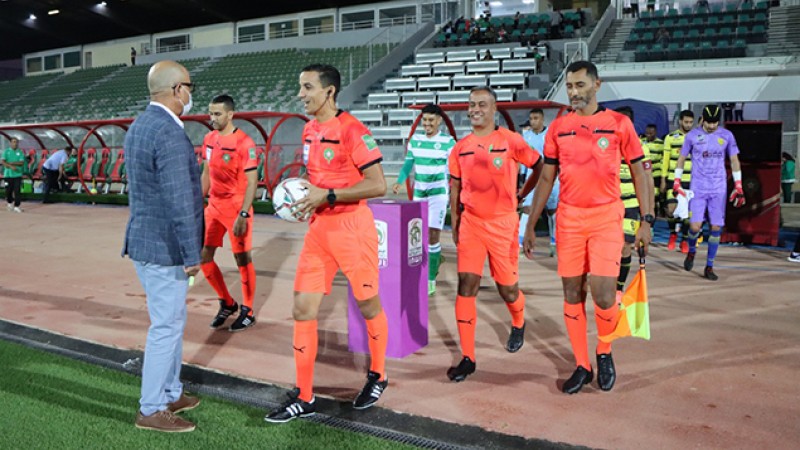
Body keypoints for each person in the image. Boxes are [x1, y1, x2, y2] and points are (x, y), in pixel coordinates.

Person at [265, 64, 389, 423]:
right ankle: (304, 396)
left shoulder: (354, 131)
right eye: (300, 87)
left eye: (307, 88)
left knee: (368, 307)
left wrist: (329, 194)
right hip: (319, 231)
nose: (301, 94)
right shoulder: (309, 129)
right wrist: (299, 195)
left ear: (329, 92)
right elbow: (314, 178)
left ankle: (379, 374)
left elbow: (378, 184)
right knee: (303, 310)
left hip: (352, 229)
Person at [522, 61, 652, 394]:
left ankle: (604, 350)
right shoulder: (558, 128)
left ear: (597, 85)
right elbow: (547, 177)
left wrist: (647, 221)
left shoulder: (619, 124)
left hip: (607, 217)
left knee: (604, 293)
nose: (574, 92)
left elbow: (641, 173)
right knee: (572, 292)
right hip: (569, 218)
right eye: (570, 86)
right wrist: (531, 223)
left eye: (580, 85)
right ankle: (582, 364)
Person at [123, 60, 203, 432]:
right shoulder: (169, 133)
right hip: (164, 247)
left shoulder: (140, 124)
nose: (191, 94)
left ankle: (170, 391)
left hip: (145, 239)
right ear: (176, 90)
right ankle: (152, 407)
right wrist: (191, 254)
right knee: (166, 327)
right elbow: (179, 200)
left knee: (173, 321)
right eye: (189, 86)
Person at [445, 86, 543, 383]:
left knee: (507, 289)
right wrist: (457, 221)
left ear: (494, 109)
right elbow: (455, 188)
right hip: (472, 223)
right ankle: (468, 357)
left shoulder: (511, 141)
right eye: (472, 105)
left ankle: (518, 321)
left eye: (482, 105)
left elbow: (539, 167)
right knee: (467, 284)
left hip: (502, 225)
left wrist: (523, 194)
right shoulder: (460, 148)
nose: (475, 109)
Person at [200, 94, 259, 332]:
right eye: (210, 113)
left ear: (230, 114)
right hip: (213, 206)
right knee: (203, 256)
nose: (212, 118)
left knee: (241, 259)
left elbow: (253, 181)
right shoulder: (208, 139)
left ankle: (248, 310)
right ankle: (227, 302)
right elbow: (206, 173)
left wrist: (243, 214)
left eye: (217, 114)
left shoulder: (245, 143)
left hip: (236, 208)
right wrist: (198, 202)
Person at [392, 104, 456, 295]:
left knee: (433, 234)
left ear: (439, 121)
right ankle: (421, 270)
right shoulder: (416, 140)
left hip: (438, 193)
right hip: (420, 192)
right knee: (417, 234)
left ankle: (430, 280)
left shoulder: (448, 142)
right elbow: (407, 166)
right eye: (424, 120)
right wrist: (399, 181)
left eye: (430, 120)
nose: (427, 124)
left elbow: (455, 169)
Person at [676, 105, 744, 281]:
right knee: (694, 227)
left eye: (715, 123)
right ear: (703, 120)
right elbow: (681, 159)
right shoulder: (692, 136)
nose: (712, 126)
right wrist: (677, 181)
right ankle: (691, 251)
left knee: (715, 227)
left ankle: (709, 266)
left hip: (718, 188)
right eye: (709, 122)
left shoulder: (727, 136)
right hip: (698, 187)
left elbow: (734, 160)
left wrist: (738, 185)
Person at [613, 107, 655, 299]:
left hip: (630, 206)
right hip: (608, 206)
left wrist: (649, 214)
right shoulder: (606, 145)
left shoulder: (641, 147)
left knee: (625, 246)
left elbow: (647, 180)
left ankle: (618, 289)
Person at [519, 108, 558, 257]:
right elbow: (522, 159)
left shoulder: (550, 135)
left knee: (552, 212)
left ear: (542, 119)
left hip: (552, 179)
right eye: (531, 119)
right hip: (532, 177)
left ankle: (553, 244)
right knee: (527, 209)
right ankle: (520, 244)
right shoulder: (526, 137)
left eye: (536, 118)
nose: (533, 121)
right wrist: (522, 179)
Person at [662, 110, 695, 252]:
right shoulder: (670, 138)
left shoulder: (697, 137)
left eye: (690, 122)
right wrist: (663, 179)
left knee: (688, 214)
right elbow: (665, 160)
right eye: (686, 122)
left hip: (691, 180)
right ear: (680, 121)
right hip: (673, 179)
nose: (688, 125)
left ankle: (685, 239)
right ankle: (673, 234)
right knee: (671, 210)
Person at [643, 124, 665, 216]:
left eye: (651, 133)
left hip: (656, 175)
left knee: (655, 197)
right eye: (647, 133)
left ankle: (657, 215)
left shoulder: (661, 144)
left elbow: (663, 159)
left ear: (655, 133)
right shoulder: (641, 142)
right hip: (644, 175)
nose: (648, 135)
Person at [3, 137, 25, 213]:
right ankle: (9, 203)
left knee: (17, 191)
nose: (15, 143)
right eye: (13, 142)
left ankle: (17, 206)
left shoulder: (20, 152)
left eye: (16, 142)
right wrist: (10, 166)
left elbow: (21, 162)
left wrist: (12, 163)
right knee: (8, 191)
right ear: (10, 143)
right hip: (8, 175)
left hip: (17, 175)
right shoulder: (6, 151)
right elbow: (3, 162)